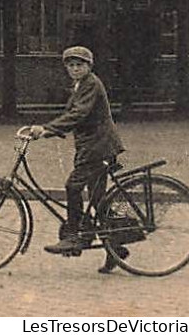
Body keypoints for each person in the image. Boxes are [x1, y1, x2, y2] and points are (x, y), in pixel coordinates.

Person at [20, 46, 128, 272]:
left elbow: (78, 114)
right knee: (98, 201)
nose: (75, 68)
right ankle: (115, 248)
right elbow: (76, 117)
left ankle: (74, 236)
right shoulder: (80, 85)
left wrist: (46, 129)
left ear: (89, 66)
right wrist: (49, 131)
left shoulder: (90, 84)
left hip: (98, 147)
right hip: (93, 148)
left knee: (73, 186)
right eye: (71, 65)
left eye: (80, 64)